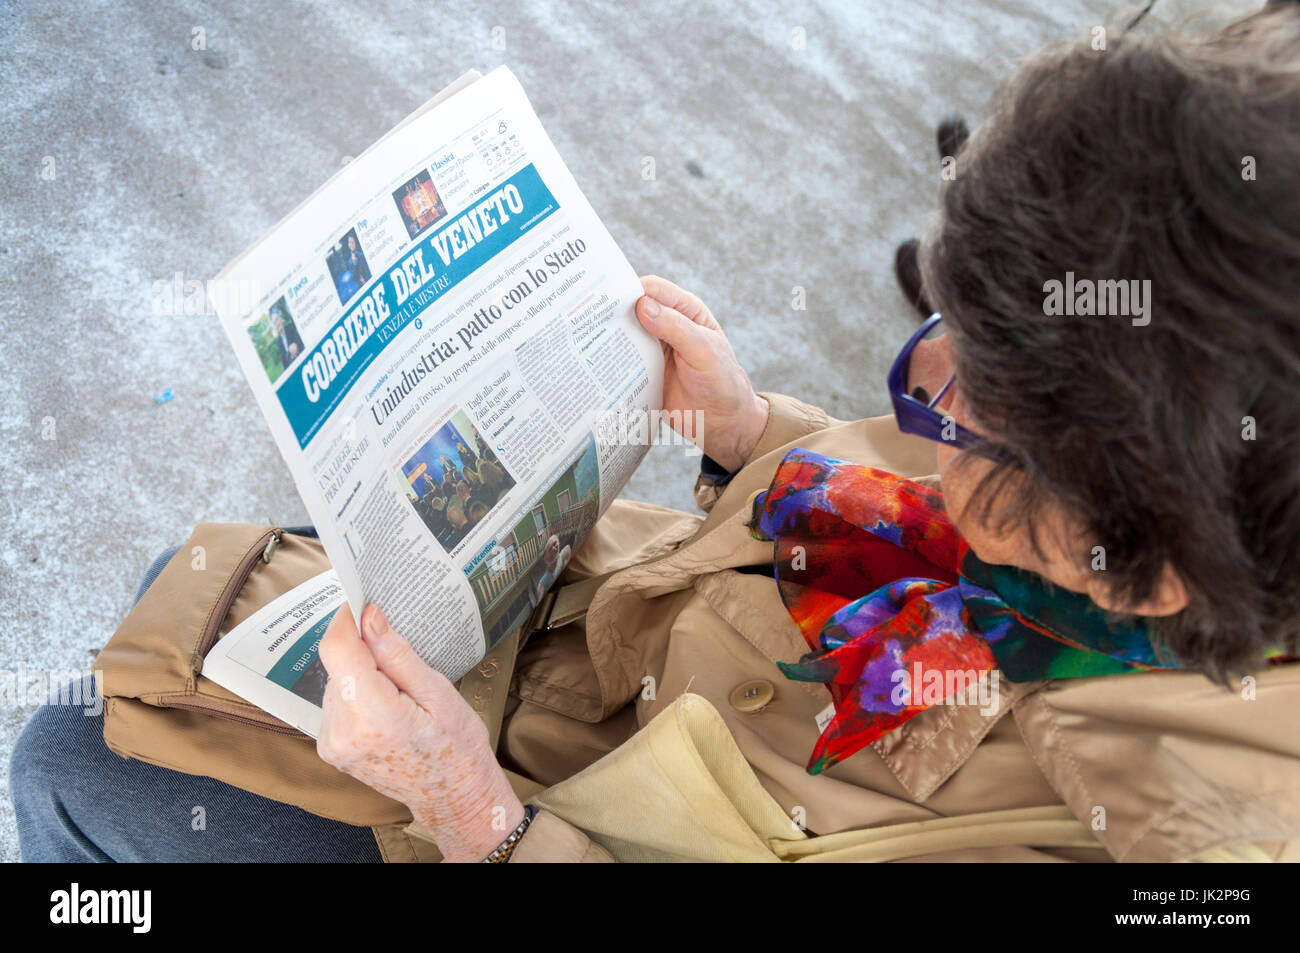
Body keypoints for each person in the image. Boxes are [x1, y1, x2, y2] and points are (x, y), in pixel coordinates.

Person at [12, 8, 1300, 863]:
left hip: (533, 812)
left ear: (1156, 561)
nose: (928, 392)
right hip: (606, 650)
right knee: (170, 604)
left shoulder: (1183, 847)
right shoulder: (1170, 470)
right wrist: (748, 438)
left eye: (975, 413)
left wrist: (476, 816)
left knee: (74, 774)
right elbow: (917, 554)